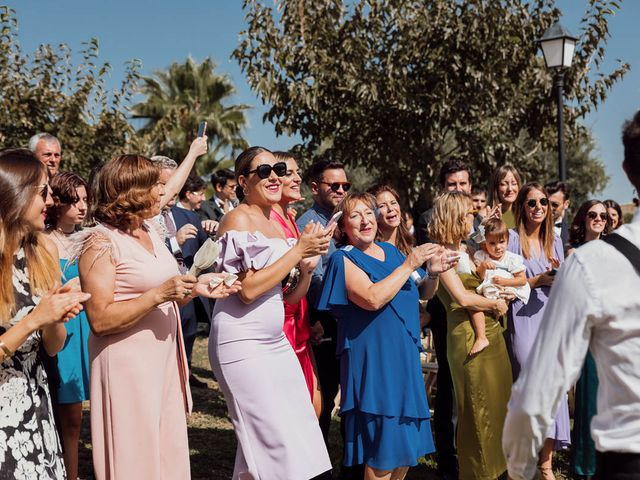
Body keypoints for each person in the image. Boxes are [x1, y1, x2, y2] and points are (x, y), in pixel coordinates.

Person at [79, 145, 238, 480]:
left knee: (166, 450)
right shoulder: (100, 242)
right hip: (127, 364)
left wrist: (196, 287)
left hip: (163, 357)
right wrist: (158, 294)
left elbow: (167, 294)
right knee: (135, 455)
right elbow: (100, 319)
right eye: (154, 184)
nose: (162, 191)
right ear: (130, 192)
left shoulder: (151, 230)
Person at [504, 110, 640, 480]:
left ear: (628, 169)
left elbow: (541, 389)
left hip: (628, 452)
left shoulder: (592, 263)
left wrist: (518, 466)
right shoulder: (579, 258)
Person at [210, 146, 333, 479]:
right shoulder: (238, 218)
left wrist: (307, 268)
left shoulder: (277, 224)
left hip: (274, 339)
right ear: (242, 181)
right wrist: (297, 252)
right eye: (263, 172)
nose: (274, 176)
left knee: (301, 425)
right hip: (242, 342)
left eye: (278, 169)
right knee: (271, 440)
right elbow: (248, 291)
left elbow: (289, 296)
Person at [318, 192, 450, 480]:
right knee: (382, 451)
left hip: (404, 357)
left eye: (368, 212)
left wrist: (434, 274)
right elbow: (372, 298)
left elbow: (421, 294)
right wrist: (409, 265)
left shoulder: (391, 252)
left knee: (403, 449)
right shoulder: (344, 259)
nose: (365, 219)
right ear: (343, 227)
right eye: (355, 215)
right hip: (375, 362)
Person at [0, 148, 90, 478]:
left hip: (36, 403)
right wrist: (35, 319)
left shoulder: (39, 252)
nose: (50, 201)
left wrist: (56, 316)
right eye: (43, 192)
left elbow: (52, 347)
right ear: (15, 195)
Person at [427, 191, 512, 480]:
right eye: (467, 214)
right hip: (466, 337)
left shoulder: (464, 247)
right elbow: (462, 298)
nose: (472, 217)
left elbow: (480, 241)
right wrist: (494, 303)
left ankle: (500, 469)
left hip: (491, 332)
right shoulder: (441, 253)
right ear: (454, 217)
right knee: (476, 410)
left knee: (497, 403)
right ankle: (479, 473)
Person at [506, 182, 570, 479]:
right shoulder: (510, 239)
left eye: (544, 203)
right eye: (531, 203)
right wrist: (536, 281)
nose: (539, 208)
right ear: (521, 207)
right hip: (522, 317)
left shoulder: (555, 241)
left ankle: (545, 466)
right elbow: (499, 281)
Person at [416, 158, 474, 479]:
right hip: (446, 311)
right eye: (452, 184)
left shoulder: (476, 220)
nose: (458, 188)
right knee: (450, 388)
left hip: (476, 316)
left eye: (463, 184)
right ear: (443, 187)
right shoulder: (429, 219)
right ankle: (448, 459)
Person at [297, 159, 350, 446]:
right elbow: (311, 281)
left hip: (346, 318)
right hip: (323, 319)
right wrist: (314, 320)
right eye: (334, 185)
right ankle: (316, 462)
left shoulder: (345, 221)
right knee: (325, 394)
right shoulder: (308, 225)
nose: (341, 190)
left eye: (345, 185)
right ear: (315, 187)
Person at [45, 172, 91, 480]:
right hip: (64, 331)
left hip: (90, 328)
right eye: (75, 201)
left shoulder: (89, 238)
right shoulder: (43, 242)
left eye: (86, 200)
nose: (82, 207)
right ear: (57, 203)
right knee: (70, 417)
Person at [269, 151, 322, 416]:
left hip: (300, 319)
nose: (298, 178)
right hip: (281, 325)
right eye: (289, 173)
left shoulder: (290, 218)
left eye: (297, 172)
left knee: (313, 406)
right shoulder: (269, 222)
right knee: (293, 411)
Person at [564, 200, 611, 478]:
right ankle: (584, 465)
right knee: (589, 401)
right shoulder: (573, 253)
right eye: (592, 215)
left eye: (603, 216)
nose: (598, 219)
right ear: (583, 219)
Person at [471, 217, 530, 355]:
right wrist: (484, 267)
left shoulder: (511, 258)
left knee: (503, 302)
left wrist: (505, 282)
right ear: (485, 243)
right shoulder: (482, 256)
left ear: (507, 240)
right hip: (487, 292)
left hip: (506, 289)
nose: (498, 247)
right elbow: (478, 277)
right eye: (492, 243)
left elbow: (522, 280)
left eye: (502, 242)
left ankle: (497, 324)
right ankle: (486, 334)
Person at [367, 183, 415, 256]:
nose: (390, 209)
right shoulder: (372, 251)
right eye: (382, 206)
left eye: (393, 203)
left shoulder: (408, 244)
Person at [489, 164, 521, 229]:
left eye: (514, 184)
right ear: (496, 187)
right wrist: (483, 226)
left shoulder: (523, 215)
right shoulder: (486, 214)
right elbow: (474, 238)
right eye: (504, 184)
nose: (510, 189)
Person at [545, 181, 572, 253]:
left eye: (554, 204)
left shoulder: (572, 234)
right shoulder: (531, 229)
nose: (549, 208)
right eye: (545, 203)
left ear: (566, 204)